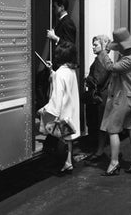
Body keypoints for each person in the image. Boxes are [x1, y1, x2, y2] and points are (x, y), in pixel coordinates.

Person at [98, 28, 131, 176]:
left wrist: (103, 52)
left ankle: (114, 163)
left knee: (112, 129)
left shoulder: (128, 59)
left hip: (126, 96)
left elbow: (110, 67)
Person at [39, 42, 81, 175]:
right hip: (70, 111)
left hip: (62, 113)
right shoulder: (71, 70)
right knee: (68, 139)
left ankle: (61, 165)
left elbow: (57, 98)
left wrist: (45, 110)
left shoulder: (60, 74)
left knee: (53, 143)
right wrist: (52, 71)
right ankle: (68, 162)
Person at [83, 35, 111, 166]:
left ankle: (99, 152)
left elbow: (98, 79)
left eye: (96, 45)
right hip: (103, 95)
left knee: (100, 124)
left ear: (103, 45)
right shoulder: (104, 58)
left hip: (100, 96)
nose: (93, 47)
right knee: (101, 124)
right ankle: (101, 150)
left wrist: (87, 79)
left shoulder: (102, 58)